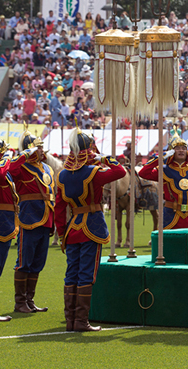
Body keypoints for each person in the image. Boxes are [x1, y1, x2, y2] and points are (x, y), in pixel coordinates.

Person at [54, 129, 126, 332]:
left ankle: (70, 321)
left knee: (71, 273)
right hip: (92, 226)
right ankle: (81, 321)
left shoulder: (62, 176)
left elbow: (59, 208)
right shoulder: (94, 172)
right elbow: (120, 171)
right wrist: (104, 158)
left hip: (72, 229)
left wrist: (62, 234)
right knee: (86, 274)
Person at [0, 132, 36, 322]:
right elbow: (0, 175)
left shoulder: (2, 168)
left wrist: (26, 154)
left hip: (5, 224)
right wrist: (6, 159)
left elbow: (15, 164)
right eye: (4, 152)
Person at [8, 128, 55, 313]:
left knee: (38, 263)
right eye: (38, 147)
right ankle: (20, 302)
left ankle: (30, 300)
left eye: (41, 147)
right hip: (29, 219)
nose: (42, 150)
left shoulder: (47, 168)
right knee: (24, 262)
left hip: (46, 220)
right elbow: (10, 169)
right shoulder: (22, 167)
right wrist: (26, 153)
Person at [139, 134, 188, 229]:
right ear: (171, 152)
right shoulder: (164, 170)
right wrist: (160, 157)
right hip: (170, 218)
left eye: (184, 148)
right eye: (177, 148)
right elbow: (143, 173)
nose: (181, 150)